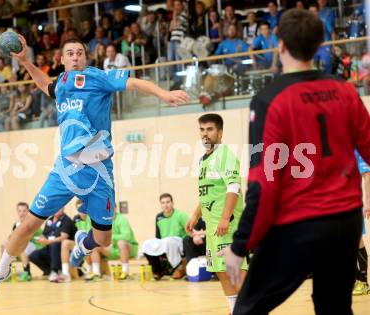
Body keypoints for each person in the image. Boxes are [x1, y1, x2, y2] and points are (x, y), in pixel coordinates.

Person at [0, 35, 189, 299]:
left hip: (99, 170)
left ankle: (83, 245)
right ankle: (0, 270)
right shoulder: (63, 83)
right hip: (66, 169)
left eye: (80, 52)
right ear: (63, 59)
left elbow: (133, 82)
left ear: (85, 57)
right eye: (70, 53)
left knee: (104, 240)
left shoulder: (97, 77)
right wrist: (25, 61)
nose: (75, 57)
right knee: (27, 225)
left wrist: (163, 94)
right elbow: (45, 84)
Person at [223, 9, 370, 315]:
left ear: (280, 45)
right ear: (319, 45)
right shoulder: (345, 92)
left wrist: (240, 245)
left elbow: (263, 183)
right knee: (335, 308)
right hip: (345, 222)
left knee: (247, 309)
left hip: (297, 225)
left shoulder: (269, 100)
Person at [186, 113, 247, 314]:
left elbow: (233, 188)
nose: (205, 134)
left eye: (210, 129)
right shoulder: (204, 159)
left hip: (228, 225)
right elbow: (209, 192)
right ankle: (234, 310)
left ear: (219, 132)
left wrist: (224, 218)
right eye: (202, 129)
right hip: (212, 228)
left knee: (235, 272)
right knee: (221, 272)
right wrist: (196, 215)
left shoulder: (225, 155)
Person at [142, 193, 189, 280]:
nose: (165, 205)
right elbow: (158, 235)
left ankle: (179, 267)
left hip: (179, 241)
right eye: (163, 203)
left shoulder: (181, 215)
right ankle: (157, 271)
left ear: (172, 203)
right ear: (160, 204)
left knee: (168, 241)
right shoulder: (159, 217)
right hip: (164, 241)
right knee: (147, 244)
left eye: (168, 202)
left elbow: (189, 230)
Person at [88, 209, 138, 281]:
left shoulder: (122, 219)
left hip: (129, 248)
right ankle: (96, 273)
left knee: (121, 243)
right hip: (112, 249)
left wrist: (110, 237)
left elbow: (127, 236)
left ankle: (125, 272)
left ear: (115, 209)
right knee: (94, 246)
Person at [28, 208, 74, 282]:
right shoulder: (50, 220)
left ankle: (55, 271)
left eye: (59, 208)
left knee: (54, 244)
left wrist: (49, 241)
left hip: (61, 249)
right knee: (33, 255)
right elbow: (44, 234)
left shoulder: (66, 220)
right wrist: (40, 239)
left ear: (63, 209)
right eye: (56, 208)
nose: (57, 210)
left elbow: (64, 237)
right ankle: (50, 272)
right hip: (49, 247)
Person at [4, 202, 43, 282]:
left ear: (28, 211)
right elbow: (11, 237)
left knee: (22, 247)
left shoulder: (31, 222)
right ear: (17, 212)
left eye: (24, 211)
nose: (22, 213)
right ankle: (6, 272)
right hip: (26, 243)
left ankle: (27, 273)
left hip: (37, 244)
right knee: (5, 245)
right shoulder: (17, 223)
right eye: (20, 211)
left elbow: (26, 237)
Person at [353, 151, 370, 295]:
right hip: (339, 202)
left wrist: (367, 203)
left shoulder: (358, 150)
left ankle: (363, 282)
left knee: (358, 241)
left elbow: (366, 176)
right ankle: (356, 279)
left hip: (353, 201)